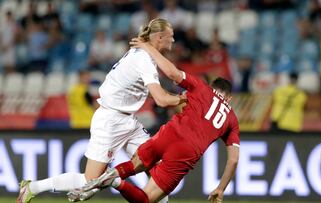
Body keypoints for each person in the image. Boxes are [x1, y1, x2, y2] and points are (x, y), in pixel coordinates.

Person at [16, 18, 184, 203]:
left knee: (158, 170)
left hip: (128, 121)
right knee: (89, 181)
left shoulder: (141, 55)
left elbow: (148, 92)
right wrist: (185, 99)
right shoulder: (143, 59)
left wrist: (178, 98)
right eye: (171, 36)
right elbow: (161, 99)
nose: (173, 40)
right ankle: (32, 187)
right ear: (160, 37)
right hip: (110, 121)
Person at [68, 38, 240, 203]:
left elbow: (172, 73)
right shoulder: (231, 119)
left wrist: (148, 48)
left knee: (134, 164)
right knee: (146, 199)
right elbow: (233, 160)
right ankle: (115, 182)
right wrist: (221, 188)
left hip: (168, 133)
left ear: (212, 87)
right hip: (186, 151)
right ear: (229, 98)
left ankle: (111, 176)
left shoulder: (202, 88)